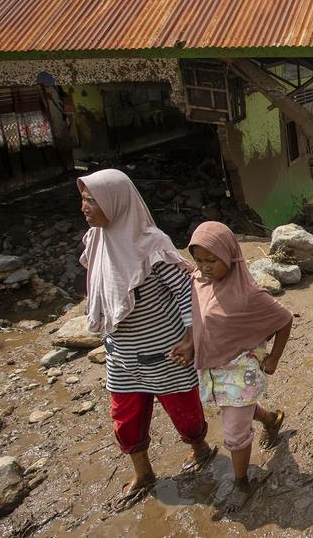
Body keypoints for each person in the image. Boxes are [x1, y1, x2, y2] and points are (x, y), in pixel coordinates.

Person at [77, 169, 213, 512]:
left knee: (185, 412)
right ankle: (144, 473)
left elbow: (186, 290)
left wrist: (189, 337)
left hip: (167, 352)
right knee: (125, 417)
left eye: (92, 200)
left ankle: (200, 450)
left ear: (116, 203)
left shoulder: (152, 244)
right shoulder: (96, 240)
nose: (84, 206)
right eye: (83, 199)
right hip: (121, 353)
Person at [180, 222, 293, 510]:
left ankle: (242, 481)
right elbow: (198, 318)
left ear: (230, 255)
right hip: (214, 368)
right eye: (199, 260)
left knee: (234, 433)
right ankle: (270, 419)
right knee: (235, 408)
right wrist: (190, 344)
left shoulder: (248, 294)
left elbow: (284, 318)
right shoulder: (200, 281)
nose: (204, 267)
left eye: (211, 260)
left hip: (239, 370)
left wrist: (274, 358)